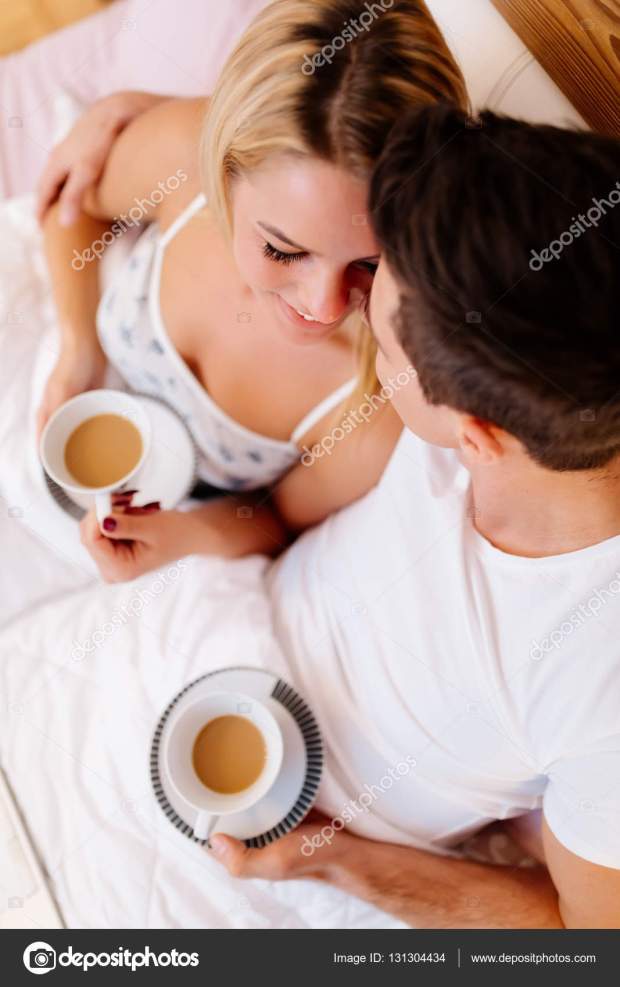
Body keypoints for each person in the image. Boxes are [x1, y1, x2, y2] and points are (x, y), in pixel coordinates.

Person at [200, 106, 620, 928]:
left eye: (386, 351)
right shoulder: (522, 349)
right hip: (216, 627)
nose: (349, 313)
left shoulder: (596, 675)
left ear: (478, 436)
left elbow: (586, 939)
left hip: (289, 848)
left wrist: (330, 859)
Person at [37, 0, 467, 584]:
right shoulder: (184, 158)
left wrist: (188, 537)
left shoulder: (376, 399)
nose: (323, 306)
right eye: (283, 250)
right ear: (222, 174)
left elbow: (277, 519)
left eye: (371, 263)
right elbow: (73, 207)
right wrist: (77, 348)